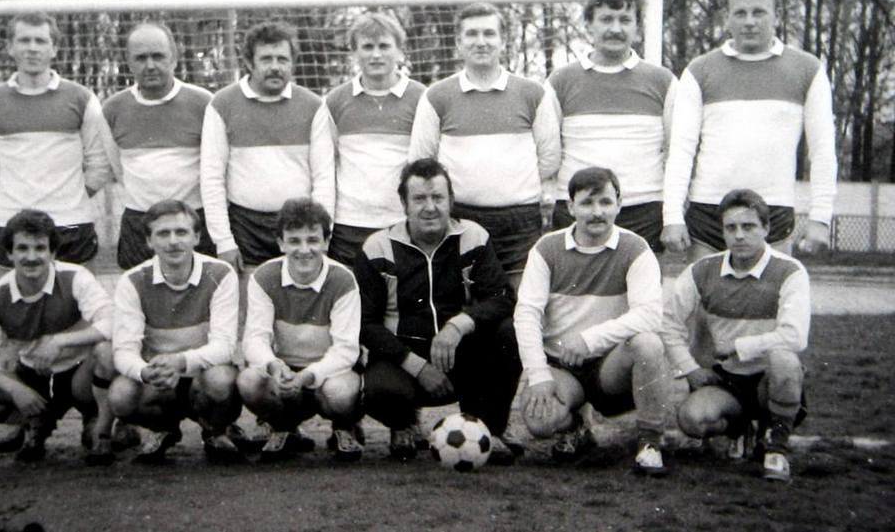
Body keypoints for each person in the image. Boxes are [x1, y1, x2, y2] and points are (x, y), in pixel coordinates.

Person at [355, 158, 522, 463]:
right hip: (403, 358)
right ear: (404, 204)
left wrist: (459, 324)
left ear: (451, 201)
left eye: (438, 197)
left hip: (459, 354)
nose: (430, 207)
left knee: (509, 333)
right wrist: (417, 366)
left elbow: (502, 298)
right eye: (419, 198)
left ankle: (487, 427)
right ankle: (403, 424)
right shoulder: (377, 247)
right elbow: (365, 323)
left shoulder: (473, 236)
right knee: (380, 391)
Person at [662, 0, 837, 260]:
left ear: (777, 15)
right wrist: (672, 215)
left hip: (773, 208)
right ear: (727, 18)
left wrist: (821, 217)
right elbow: (681, 150)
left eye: (759, 12)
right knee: (705, 290)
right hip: (708, 209)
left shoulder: (808, 69)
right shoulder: (699, 70)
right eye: (740, 13)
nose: (749, 21)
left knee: (771, 290)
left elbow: (822, 150)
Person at [514, 166, 671, 476]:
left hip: (610, 367)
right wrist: (539, 375)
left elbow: (650, 314)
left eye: (605, 202)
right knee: (540, 422)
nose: (597, 212)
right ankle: (575, 428)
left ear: (619, 204)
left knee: (648, 344)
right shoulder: (546, 249)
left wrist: (589, 340)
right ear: (570, 207)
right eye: (587, 203)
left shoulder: (636, 248)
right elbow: (527, 314)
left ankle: (650, 442)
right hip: (562, 365)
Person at [0, 209, 116, 465]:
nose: (32, 257)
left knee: (107, 351)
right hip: (33, 377)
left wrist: (59, 342)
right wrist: (15, 390)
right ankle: (33, 421)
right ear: (9, 253)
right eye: (22, 248)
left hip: (81, 377)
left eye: (40, 248)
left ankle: (97, 421)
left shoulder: (76, 277)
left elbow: (112, 322)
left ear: (53, 253)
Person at [661, 189, 809, 482]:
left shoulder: (789, 271)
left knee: (785, 361)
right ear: (723, 231)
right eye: (731, 227)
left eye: (749, 226)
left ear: (766, 228)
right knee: (693, 420)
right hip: (728, 380)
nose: (739, 235)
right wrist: (689, 369)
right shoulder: (701, 270)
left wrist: (741, 346)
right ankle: (740, 429)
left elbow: (794, 336)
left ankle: (775, 447)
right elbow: (668, 323)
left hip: (770, 379)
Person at [408, 2, 559, 284]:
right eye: (472, 34)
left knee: (521, 299)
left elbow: (549, 158)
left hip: (520, 221)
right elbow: (422, 161)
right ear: (458, 42)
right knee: (463, 301)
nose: (481, 42)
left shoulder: (533, 93)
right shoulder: (436, 96)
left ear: (503, 40)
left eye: (489, 33)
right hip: (459, 218)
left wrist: (509, 185)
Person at [0, 12, 111, 267]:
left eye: (40, 41)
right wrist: (7, 198)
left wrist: (73, 197)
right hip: (12, 224)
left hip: (71, 223)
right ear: (10, 47)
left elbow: (100, 163)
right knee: (14, 294)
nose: (32, 48)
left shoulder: (82, 98)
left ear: (54, 48)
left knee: (76, 293)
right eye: (24, 40)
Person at [109, 199, 243, 464]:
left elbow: (225, 345)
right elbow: (124, 350)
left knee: (221, 381)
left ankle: (215, 431)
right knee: (121, 396)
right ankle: (163, 429)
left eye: (181, 232)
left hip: (203, 373)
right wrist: (145, 372)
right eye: (163, 233)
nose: (173, 241)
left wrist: (181, 361)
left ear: (197, 237)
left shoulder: (220, 273)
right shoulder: (133, 280)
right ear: (149, 241)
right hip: (160, 378)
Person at [549, 0, 677, 250]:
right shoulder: (560, 81)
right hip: (578, 209)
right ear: (589, 25)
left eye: (625, 20)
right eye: (606, 19)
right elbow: (549, 151)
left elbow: (675, 151)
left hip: (643, 209)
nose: (616, 29)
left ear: (637, 28)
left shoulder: (663, 81)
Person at [200, 21, 334, 272]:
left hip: (300, 227)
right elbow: (211, 178)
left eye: (282, 59)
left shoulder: (313, 106)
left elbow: (324, 177)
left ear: (293, 63)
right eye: (266, 59)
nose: (275, 67)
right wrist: (224, 241)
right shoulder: (222, 104)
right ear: (249, 63)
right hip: (246, 228)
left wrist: (322, 233)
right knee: (250, 296)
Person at [237, 198, 363, 462]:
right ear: (281, 243)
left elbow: (346, 350)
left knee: (341, 394)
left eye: (312, 240)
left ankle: (344, 427)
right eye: (294, 241)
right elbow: (255, 339)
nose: (304, 250)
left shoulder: (343, 280)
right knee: (249, 381)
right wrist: (274, 367)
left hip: (328, 375)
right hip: (285, 371)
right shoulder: (264, 277)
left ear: (326, 242)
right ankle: (284, 428)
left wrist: (308, 376)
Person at [102, 22, 217, 270]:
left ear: (173, 58)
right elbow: (117, 167)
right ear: (129, 62)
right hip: (139, 221)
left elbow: (216, 167)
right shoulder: (113, 109)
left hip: (193, 220)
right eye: (141, 58)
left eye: (158, 56)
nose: (150, 65)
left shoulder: (204, 103)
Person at [321, 13, 427, 265]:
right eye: (367, 47)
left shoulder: (422, 98)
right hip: (349, 224)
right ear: (354, 53)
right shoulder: (335, 101)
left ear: (399, 51)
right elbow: (326, 165)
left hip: (402, 221)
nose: (376, 55)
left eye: (384, 46)